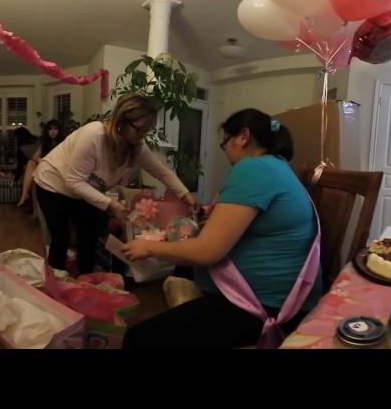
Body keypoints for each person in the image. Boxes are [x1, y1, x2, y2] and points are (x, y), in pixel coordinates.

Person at [119, 108, 323, 349]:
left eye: (225, 142)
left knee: (137, 339)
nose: (225, 150)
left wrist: (148, 247)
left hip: (267, 306)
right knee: (182, 266)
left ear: (243, 136)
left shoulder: (253, 169)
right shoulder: (275, 166)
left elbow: (207, 252)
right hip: (285, 296)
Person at [33, 94, 199, 275]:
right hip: (53, 183)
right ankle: (55, 286)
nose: (142, 135)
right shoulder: (93, 135)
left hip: (83, 189)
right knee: (61, 238)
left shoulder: (135, 146)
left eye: (147, 130)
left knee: (88, 237)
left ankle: (86, 282)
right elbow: (73, 181)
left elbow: (160, 171)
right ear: (122, 120)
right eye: (139, 129)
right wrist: (110, 204)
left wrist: (185, 194)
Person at [17, 119, 65, 208]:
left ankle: (26, 197)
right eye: (50, 129)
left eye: (55, 129)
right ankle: (25, 195)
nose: (53, 131)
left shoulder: (64, 142)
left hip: (57, 166)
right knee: (31, 163)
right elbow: (35, 156)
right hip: (45, 165)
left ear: (59, 130)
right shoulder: (44, 142)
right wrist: (40, 159)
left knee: (34, 170)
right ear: (47, 131)